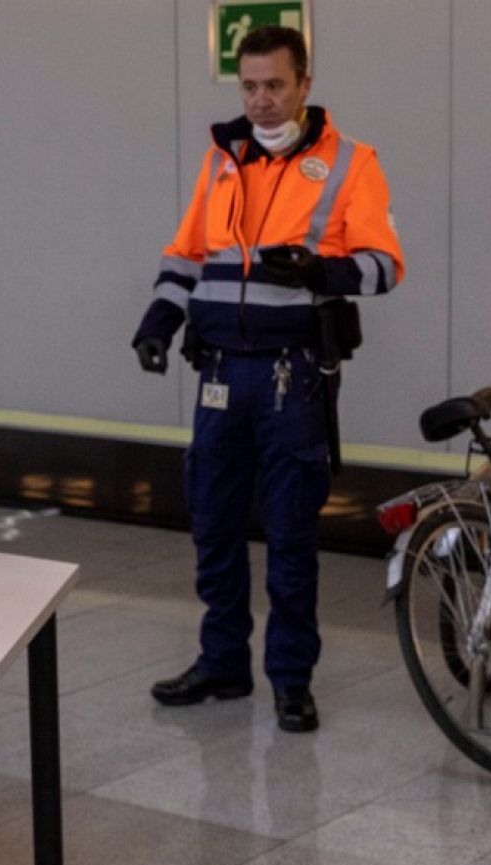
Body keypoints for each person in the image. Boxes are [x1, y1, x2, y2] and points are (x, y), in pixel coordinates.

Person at [131, 26, 403, 733]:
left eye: (274, 86)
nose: (261, 100)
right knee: (214, 527)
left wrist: (324, 271)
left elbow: (386, 264)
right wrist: (159, 320)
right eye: (249, 86)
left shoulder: (351, 162)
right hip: (219, 372)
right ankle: (222, 664)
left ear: (304, 84)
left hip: (292, 382)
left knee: (289, 535)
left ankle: (290, 679)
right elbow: (187, 253)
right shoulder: (222, 159)